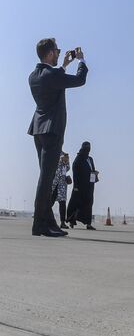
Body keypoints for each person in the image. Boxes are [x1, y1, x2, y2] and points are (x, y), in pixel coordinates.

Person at [27, 39, 87, 237]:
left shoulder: (34, 75)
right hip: (52, 131)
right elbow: (80, 80)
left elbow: (53, 78)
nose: (59, 54)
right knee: (46, 180)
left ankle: (49, 222)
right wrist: (81, 60)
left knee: (47, 177)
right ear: (50, 53)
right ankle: (39, 225)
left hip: (38, 129)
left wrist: (63, 65)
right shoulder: (51, 75)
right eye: (57, 51)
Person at [67, 141, 98, 229]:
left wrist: (94, 173)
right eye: (86, 147)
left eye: (89, 147)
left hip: (90, 186)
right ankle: (71, 220)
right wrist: (76, 186)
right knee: (76, 204)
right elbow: (75, 173)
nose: (88, 149)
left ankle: (88, 223)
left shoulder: (90, 159)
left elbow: (92, 169)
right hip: (80, 187)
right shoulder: (79, 159)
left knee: (88, 204)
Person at [51, 152, 71, 229]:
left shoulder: (65, 154)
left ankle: (62, 222)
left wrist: (66, 161)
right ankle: (43, 217)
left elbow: (68, 168)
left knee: (62, 203)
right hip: (54, 183)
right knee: (50, 202)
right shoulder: (53, 153)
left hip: (62, 184)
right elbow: (52, 166)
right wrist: (60, 160)